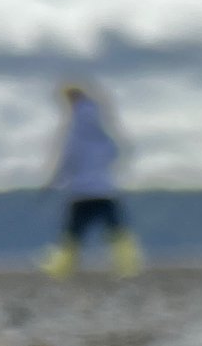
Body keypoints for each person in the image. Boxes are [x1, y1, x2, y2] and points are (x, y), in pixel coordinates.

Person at [40, 83, 141, 279]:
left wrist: (54, 181)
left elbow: (67, 159)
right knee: (117, 230)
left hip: (81, 191)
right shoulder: (101, 124)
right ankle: (129, 266)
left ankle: (60, 269)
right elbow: (116, 152)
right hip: (105, 188)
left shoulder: (74, 129)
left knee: (72, 233)